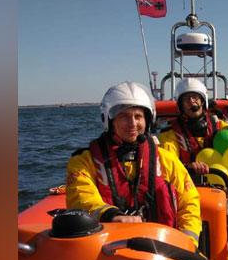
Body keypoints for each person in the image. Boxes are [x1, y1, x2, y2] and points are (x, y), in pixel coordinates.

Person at [66, 81, 201, 246]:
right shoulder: (83, 162)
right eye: (124, 116)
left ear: (147, 120)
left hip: (163, 248)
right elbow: (80, 196)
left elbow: (188, 201)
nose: (132, 123)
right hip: (107, 249)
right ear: (110, 120)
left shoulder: (166, 159)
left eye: (138, 116)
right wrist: (110, 215)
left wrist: (188, 241)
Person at [160, 78, 228, 194]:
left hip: (223, 186)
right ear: (181, 105)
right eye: (186, 99)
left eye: (195, 97)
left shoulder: (220, 126)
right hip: (187, 186)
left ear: (203, 101)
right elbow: (168, 162)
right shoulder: (170, 134)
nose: (192, 102)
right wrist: (189, 166)